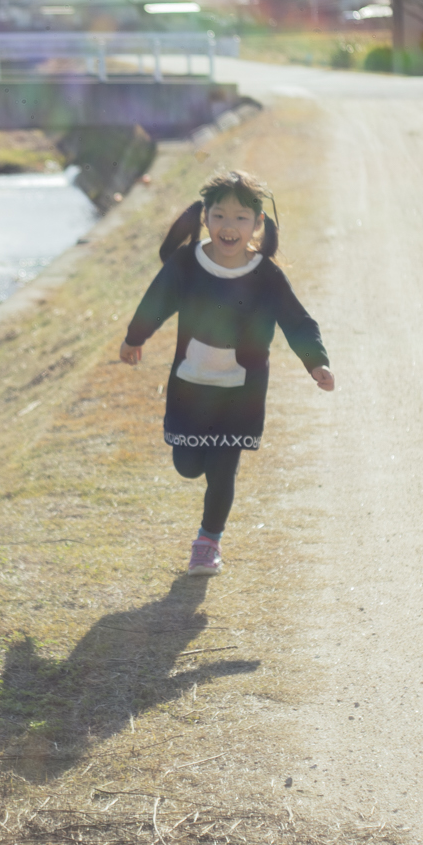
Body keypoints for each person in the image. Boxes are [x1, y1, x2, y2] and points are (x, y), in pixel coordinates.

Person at [120, 170, 334, 576]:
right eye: (220, 216)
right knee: (187, 464)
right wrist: (135, 338)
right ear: (205, 218)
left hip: (242, 394)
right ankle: (204, 510)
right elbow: (156, 301)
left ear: (257, 224)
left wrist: (316, 361)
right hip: (189, 387)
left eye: (240, 218)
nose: (229, 226)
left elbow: (297, 321)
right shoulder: (188, 262)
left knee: (222, 468)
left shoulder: (266, 276)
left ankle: (207, 541)